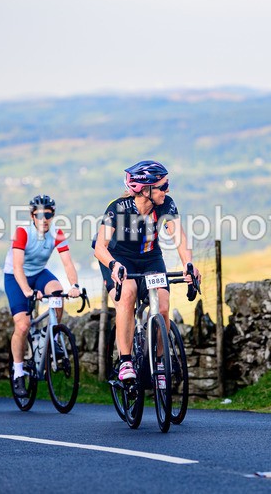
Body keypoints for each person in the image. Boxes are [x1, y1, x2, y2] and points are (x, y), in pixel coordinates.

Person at [93, 160, 201, 383]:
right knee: (128, 294)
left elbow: (179, 237)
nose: (167, 190)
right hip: (119, 259)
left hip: (150, 258)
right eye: (163, 186)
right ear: (145, 190)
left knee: (162, 306)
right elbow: (100, 247)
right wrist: (114, 265)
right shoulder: (119, 208)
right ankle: (125, 361)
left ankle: (160, 363)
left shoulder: (165, 205)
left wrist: (188, 264)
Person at [4, 195, 80, 398]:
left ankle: (52, 336)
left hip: (38, 273)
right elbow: (18, 266)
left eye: (48, 214)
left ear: (53, 215)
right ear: (32, 216)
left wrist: (74, 285)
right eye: (39, 215)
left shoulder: (57, 233)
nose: (44, 219)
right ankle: (18, 372)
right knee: (23, 326)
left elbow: (67, 263)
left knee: (57, 292)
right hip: (15, 277)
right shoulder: (23, 232)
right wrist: (27, 291)